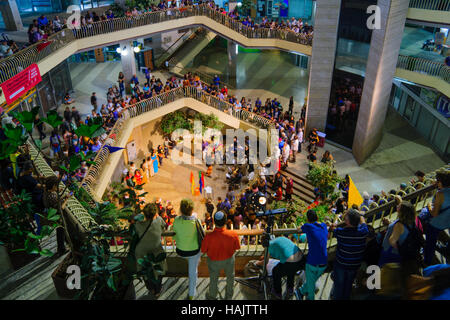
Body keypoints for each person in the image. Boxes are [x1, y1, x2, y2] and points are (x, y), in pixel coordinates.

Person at [201, 211, 240, 300]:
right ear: (225, 221)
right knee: (230, 277)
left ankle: (213, 295)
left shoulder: (208, 237)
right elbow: (237, 247)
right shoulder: (233, 234)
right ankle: (229, 296)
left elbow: (203, 250)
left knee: (214, 279)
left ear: (214, 222)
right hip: (229, 260)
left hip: (213, 261)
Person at [330, 209, 368, 300]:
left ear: (347, 222)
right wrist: (361, 217)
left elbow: (333, 230)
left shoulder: (341, 232)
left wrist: (332, 226)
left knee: (339, 286)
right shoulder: (363, 232)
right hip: (354, 265)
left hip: (341, 264)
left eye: (345, 218)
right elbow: (364, 225)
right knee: (348, 285)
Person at [134, 203, 167, 296]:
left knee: (145, 271)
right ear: (155, 213)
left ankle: (151, 288)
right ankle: (157, 290)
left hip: (142, 251)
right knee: (158, 270)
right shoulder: (159, 220)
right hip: (156, 250)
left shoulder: (138, 224)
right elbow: (164, 226)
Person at [172, 199, 202, 300]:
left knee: (191, 262)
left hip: (180, 250)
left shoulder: (176, 220)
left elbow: (174, 234)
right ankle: (191, 294)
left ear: (181, 209)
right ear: (192, 209)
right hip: (193, 252)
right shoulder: (196, 221)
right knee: (193, 272)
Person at [295, 210, 328, 300]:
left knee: (311, 286)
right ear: (317, 217)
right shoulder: (324, 226)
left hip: (312, 262)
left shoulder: (308, 226)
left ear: (308, 219)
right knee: (311, 281)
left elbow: (298, 229)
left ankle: (305, 295)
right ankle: (300, 291)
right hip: (323, 263)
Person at [423, 170, 450, 265]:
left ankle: (427, 260)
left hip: (438, 223)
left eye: (437, 180)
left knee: (430, 242)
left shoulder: (440, 194)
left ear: (441, 182)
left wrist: (429, 205)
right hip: (448, 220)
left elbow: (434, 214)